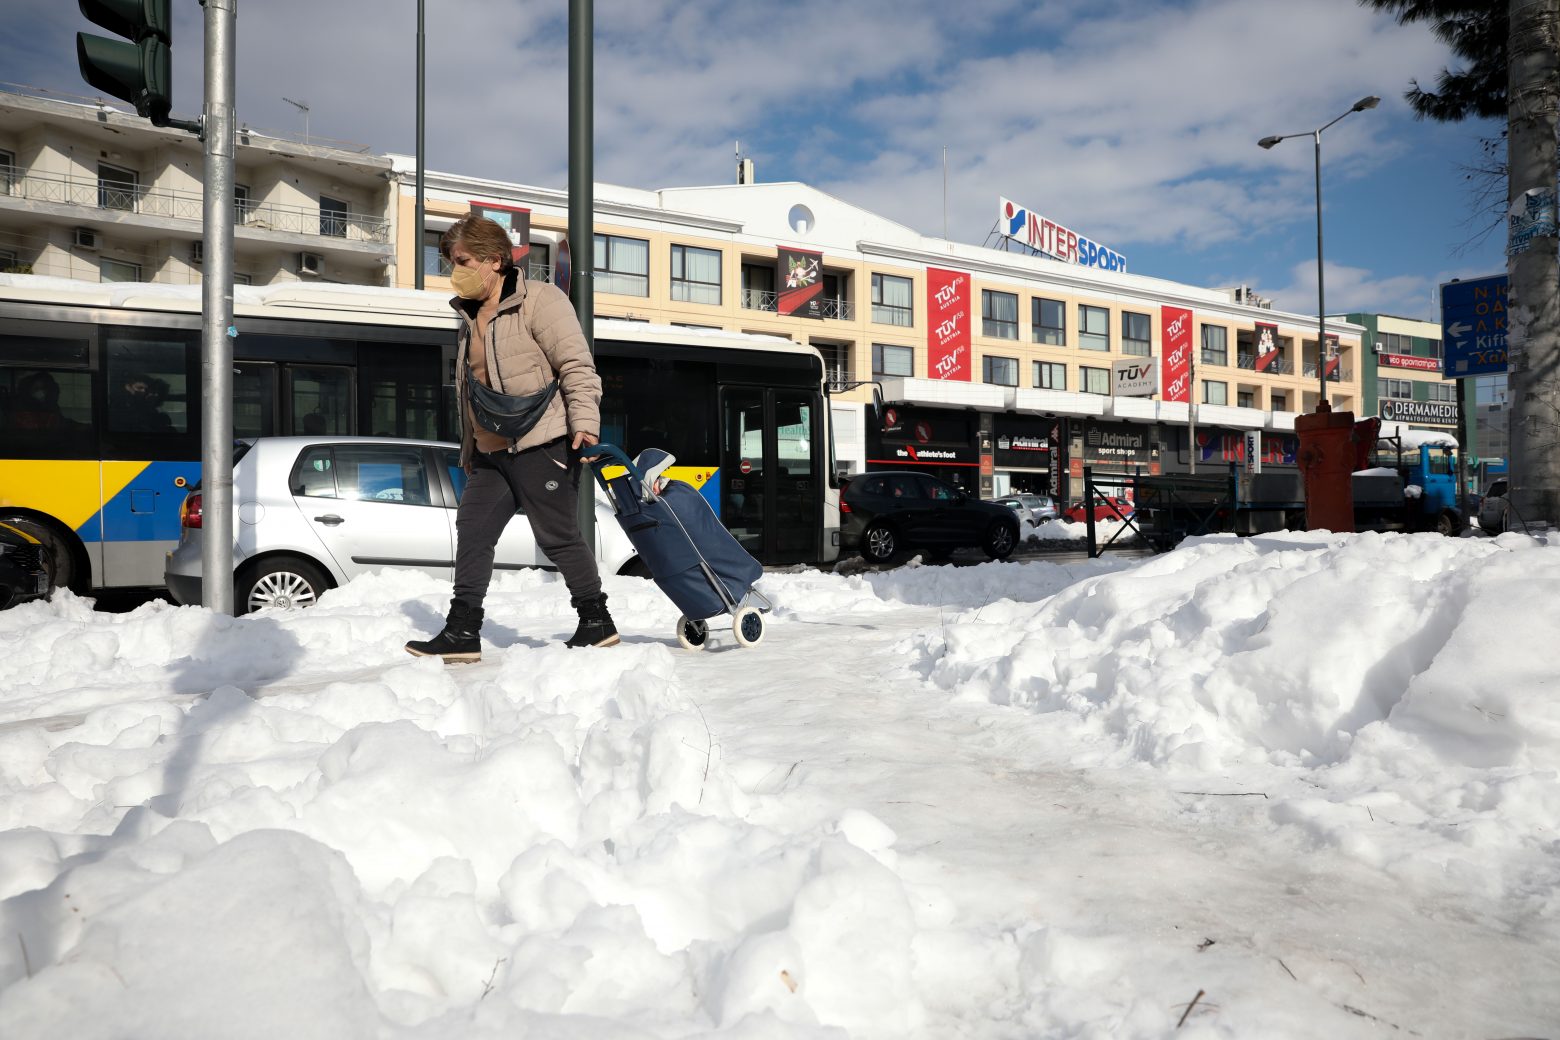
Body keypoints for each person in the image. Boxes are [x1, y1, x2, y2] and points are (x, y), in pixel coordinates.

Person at [405, 214, 617, 662]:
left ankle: (596, 619)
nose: (454, 271)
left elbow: (577, 365)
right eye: (451, 262)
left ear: (494, 260)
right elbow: (471, 393)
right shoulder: (468, 316)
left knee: (556, 535)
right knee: (473, 531)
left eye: (462, 261)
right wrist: (469, 449)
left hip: (542, 440)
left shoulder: (541, 301)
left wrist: (584, 423)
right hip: (490, 451)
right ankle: (463, 630)